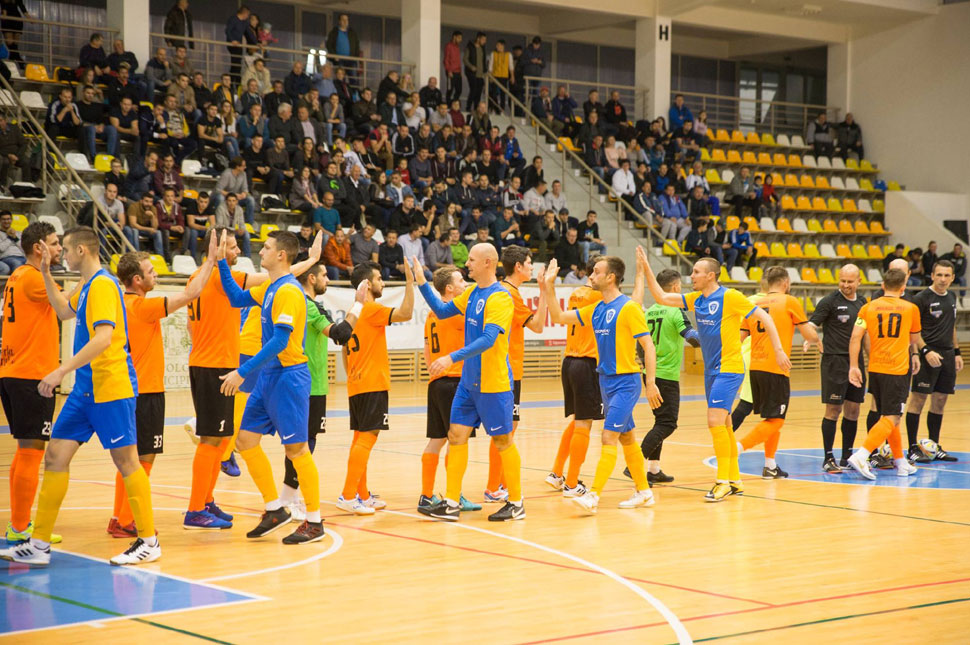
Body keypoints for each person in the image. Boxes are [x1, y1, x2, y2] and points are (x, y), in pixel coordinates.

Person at [0, 227, 159, 566]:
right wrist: (45, 273)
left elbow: (103, 338)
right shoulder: (87, 286)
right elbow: (62, 310)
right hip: (85, 392)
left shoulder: (102, 285)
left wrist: (61, 371)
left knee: (127, 461)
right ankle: (39, 544)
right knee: (55, 456)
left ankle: (149, 541)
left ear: (82, 251)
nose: (64, 255)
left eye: (67, 250)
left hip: (110, 387)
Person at [639, 247, 789, 502]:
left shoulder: (729, 297)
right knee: (726, 424)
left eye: (696, 272)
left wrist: (778, 349)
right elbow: (661, 296)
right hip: (711, 371)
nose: (692, 275)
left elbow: (765, 318)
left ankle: (722, 482)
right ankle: (735, 480)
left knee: (714, 421)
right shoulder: (696, 299)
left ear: (710, 275)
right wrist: (645, 267)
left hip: (729, 368)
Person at [213, 230, 321, 543]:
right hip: (269, 376)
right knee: (245, 440)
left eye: (267, 248)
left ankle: (315, 522)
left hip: (289, 377)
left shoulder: (288, 291)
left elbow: (279, 341)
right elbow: (236, 298)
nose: (261, 252)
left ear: (281, 255)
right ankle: (275, 508)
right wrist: (221, 262)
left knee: (297, 450)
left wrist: (242, 372)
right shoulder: (270, 287)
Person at [543, 255, 662, 513]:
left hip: (626, 382)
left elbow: (648, 346)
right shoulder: (597, 308)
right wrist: (548, 285)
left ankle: (593, 495)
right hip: (604, 381)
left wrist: (650, 382)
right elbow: (559, 316)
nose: (591, 275)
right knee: (627, 438)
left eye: (596, 272)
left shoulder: (629, 308)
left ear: (610, 277)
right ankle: (644, 492)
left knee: (608, 436)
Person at [415, 244, 524, 522]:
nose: (467, 264)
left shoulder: (500, 298)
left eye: (472, 260)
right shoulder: (472, 293)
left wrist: (450, 358)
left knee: (502, 440)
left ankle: (516, 502)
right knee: (455, 436)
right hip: (468, 384)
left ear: (488, 263)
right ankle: (451, 503)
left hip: (493, 384)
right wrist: (422, 282)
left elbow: (488, 340)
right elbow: (441, 310)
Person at [106, 250, 212, 537]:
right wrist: (211, 261)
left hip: (128, 391)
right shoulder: (143, 306)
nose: (155, 275)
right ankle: (127, 521)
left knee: (128, 458)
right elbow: (191, 293)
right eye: (150, 272)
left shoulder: (119, 303)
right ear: (137, 280)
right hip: (147, 391)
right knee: (144, 459)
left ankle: (118, 517)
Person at [278, 263, 362, 519]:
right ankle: (288, 498)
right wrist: (358, 304)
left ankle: (289, 497)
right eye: (325, 275)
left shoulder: (309, 304)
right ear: (312, 278)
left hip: (309, 383)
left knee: (303, 441)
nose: (328, 279)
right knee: (302, 443)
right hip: (308, 384)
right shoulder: (308, 305)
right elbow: (341, 334)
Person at [0, 223, 63, 543]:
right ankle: (20, 527)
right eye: (54, 243)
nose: (59, 248)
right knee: (32, 451)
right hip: (31, 375)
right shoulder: (36, 278)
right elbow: (67, 307)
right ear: (39, 248)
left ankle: (18, 522)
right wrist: (92, 281)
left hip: (13, 371)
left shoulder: (17, 276)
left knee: (26, 449)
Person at [338, 260, 415, 515]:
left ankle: (361, 494)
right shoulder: (371, 309)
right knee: (368, 438)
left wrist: (351, 374)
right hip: (372, 383)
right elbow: (406, 313)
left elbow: (344, 349)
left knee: (359, 439)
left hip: (357, 383)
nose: (383, 282)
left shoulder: (353, 312)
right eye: (380, 278)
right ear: (368, 284)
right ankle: (348, 494)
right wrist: (410, 282)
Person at [734, 267, 819, 478]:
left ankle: (770, 465)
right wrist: (815, 337)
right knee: (777, 420)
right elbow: (809, 335)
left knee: (772, 419)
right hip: (775, 368)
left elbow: (740, 338)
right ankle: (736, 448)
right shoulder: (789, 301)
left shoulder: (753, 305)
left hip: (755, 367)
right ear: (786, 282)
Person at [845, 268, 925, 480]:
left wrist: (853, 366)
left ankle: (900, 462)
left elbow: (855, 338)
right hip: (897, 369)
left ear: (882, 286)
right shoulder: (911, 308)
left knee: (890, 416)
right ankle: (862, 455)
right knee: (892, 416)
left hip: (876, 368)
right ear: (903, 287)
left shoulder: (867, 307)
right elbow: (914, 339)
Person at [624, 268, 700, 484]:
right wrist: (713, 334)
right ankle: (634, 465)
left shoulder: (649, 312)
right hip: (667, 376)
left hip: (650, 374)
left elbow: (641, 346)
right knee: (667, 424)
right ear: (675, 287)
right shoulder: (675, 311)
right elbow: (693, 339)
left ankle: (654, 470)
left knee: (660, 422)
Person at [418, 266, 484, 513]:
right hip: (456, 381)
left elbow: (427, 347)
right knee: (457, 441)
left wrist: (433, 371)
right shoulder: (457, 313)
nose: (465, 284)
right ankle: (454, 496)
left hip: (437, 381)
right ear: (449, 288)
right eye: (460, 280)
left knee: (436, 440)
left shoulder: (431, 315)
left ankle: (426, 496)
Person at [483, 246, 546, 502]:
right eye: (529, 263)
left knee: (506, 428)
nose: (531, 267)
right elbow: (538, 326)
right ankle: (493, 487)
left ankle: (499, 484)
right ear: (518, 266)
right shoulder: (510, 294)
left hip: (502, 368)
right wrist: (545, 290)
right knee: (505, 430)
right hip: (507, 370)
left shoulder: (501, 290)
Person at [545, 261, 603, 496]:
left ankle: (557, 472)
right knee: (584, 423)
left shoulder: (576, 293)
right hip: (587, 362)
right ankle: (571, 483)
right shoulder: (598, 297)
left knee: (578, 420)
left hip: (569, 361)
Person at [804, 264, 867, 472]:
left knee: (853, 409)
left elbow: (865, 333)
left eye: (850, 281)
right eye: (842, 281)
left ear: (859, 281)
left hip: (856, 362)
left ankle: (847, 456)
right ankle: (828, 457)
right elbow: (811, 325)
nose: (846, 285)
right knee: (833, 409)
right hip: (834, 362)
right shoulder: (829, 302)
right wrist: (810, 339)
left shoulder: (862, 303)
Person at [905, 260, 961, 462]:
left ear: (952, 278)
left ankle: (934, 446)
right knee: (918, 400)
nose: (943, 279)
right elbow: (912, 330)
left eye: (947, 276)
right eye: (939, 275)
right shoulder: (921, 298)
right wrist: (924, 351)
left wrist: (956, 352)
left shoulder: (952, 297)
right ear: (932, 275)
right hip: (927, 355)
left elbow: (951, 326)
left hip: (947, 355)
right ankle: (912, 447)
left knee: (940, 400)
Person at [225, 5, 250, 83]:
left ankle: (236, 81)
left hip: (239, 45)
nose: (248, 16)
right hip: (233, 45)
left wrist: (257, 42)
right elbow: (228, 31)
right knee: (235, 63)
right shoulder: (233, 19)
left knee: (238, 64)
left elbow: (249, 34)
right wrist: (232, 40)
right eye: (247, 14)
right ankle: (234, 81)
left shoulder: (244, 22)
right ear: (244, 13)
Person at [463, 32, 487, 112]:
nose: (484, 41)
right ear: (478, 39)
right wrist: (471, 67)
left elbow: (483, 61)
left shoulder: (482, 48)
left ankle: (477, 108)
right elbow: (465, 59)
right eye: (483, 39)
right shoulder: (470, 47)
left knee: (479, 92)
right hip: (471, 73)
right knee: (473, 89)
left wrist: (485, 71)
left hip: (480, 74)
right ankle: (468, 107)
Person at [443, 31, 463, 105]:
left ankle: (454, 103)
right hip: (451, 71)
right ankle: (448, 104)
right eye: (459, 38)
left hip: (458, 71)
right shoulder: (449, 46)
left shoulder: (457, 47)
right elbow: (446, 59)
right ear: (454, 37)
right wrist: (449, 71)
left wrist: (460, 72)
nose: (460, 40)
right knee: (450, 89)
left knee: (459, 90)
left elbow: (458, 60)